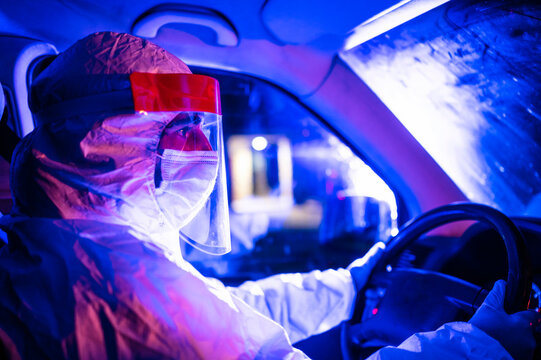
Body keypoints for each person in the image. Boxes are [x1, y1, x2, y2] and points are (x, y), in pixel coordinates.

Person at [0, 31, 537, 360]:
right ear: (107, 143)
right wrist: (486, 345)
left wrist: (351, 285)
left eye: (199, 131)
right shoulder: (117, 288)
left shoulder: (77, 243)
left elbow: (231, 312)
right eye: (178, 133)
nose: (200, 152)